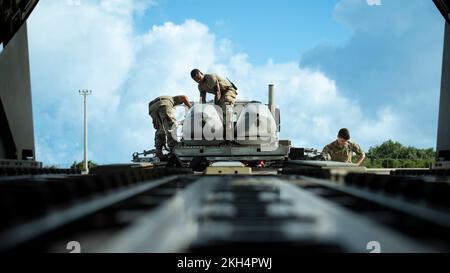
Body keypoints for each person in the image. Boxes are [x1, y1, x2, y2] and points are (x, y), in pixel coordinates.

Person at [148, 95, 192, 159]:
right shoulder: (174, 99)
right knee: (171, 126)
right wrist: (191, 108)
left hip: (152, 107)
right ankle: (173, 150)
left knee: (160, 129)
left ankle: (158, 151)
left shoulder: (170, 99)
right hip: (163, 103)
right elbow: (184, 97)